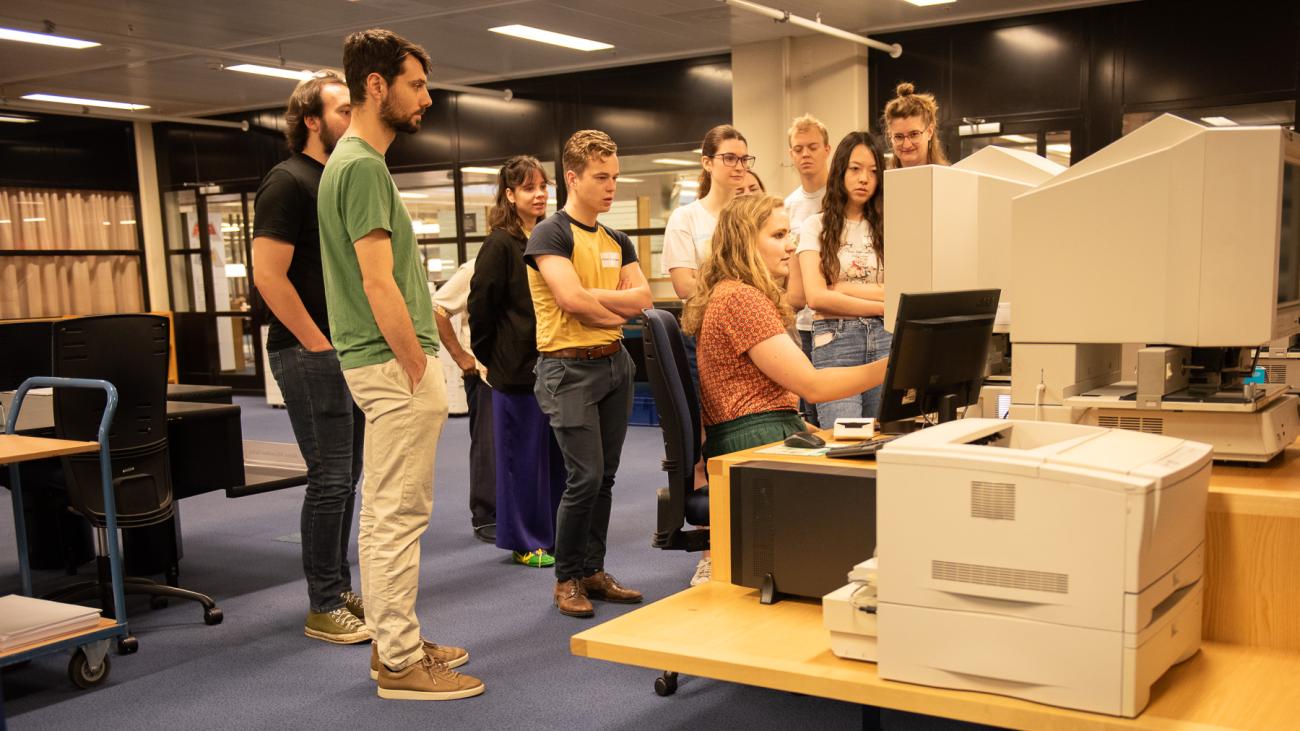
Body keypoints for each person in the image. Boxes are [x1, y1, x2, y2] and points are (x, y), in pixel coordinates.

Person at [317, 28, 482, 701]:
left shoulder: (352, 163)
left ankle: (398, 638)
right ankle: (400, 659)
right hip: (392, 365)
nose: (427, 97)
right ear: (376, 86)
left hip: (383, 363)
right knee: (396, 516)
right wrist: (418, 364)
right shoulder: (359, 165)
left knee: (390, 512)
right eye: (415, 85)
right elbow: (378, 280)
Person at [253, 70, 368, 645]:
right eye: (344, 110)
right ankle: (323, 603)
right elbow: (269, 278)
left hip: (348, 351)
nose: (355, 118)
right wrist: (318, 343)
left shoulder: (339, 179)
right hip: (309, 352)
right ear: (312, 121)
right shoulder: (287, 181)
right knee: (329, 479)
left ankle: (337, 583)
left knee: (347, 478)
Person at [525, 129, 652, 618]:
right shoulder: (550, 233)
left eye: (615, 177)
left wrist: (598, 303)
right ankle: (566, 579)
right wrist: (612, 304)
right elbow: (570, 302)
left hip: (614, 365)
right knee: (585, 477)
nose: (611, 186)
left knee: (606, 478)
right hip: (567, 370)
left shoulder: (616, 238)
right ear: (572, 177)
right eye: (601, 177)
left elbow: (643, 300)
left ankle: (593, 570)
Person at [682, 193, 888, 459]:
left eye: (789, 234)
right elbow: (814, 387)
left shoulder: (732, 293)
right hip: (753, 441)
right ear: (745, 242)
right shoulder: (740, 298)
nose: (791, 246)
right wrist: (893, 366)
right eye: (778, 236)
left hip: (761, 433)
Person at [467, 155, 567, 569]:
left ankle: (553, 533)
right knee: (520, 462)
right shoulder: (499, 244)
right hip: (514, 372)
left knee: (554, 460)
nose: (540, 194)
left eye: (543, 186)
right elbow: (481, 307)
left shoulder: (552, 237)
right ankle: (524, 540)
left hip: (554, 367)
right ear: (510, 195)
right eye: (529, 188)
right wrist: (493, 359)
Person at [790, 131, 890, 425]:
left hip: (884, 339)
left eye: (873, 172)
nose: (864, 179)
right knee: (844, 442)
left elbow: (899, 291)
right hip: (835, 340)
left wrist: (842, 289)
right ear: (840, 171)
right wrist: (882, 303)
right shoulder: (815, 226)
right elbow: (817, 298)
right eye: (855, 169)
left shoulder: (888, 225)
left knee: (883, 440)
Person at [431, 260, 497, 545]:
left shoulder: (537, 260)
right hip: (484, 373)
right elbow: (438, 309)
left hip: (526, 374)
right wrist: (460, 356)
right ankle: (487, 516)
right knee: (488, 446)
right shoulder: (476, 267)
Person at [662, 125, 754, 300]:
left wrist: (705, 280)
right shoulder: (684, 218)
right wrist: (740, 294)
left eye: (744, 159)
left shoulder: (752, 217)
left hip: (751, 317)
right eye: (729, 158)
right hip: (705, 320)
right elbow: (684, 286)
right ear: (707, 163)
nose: (739, 166)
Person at [782, 114, 832, 426]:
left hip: (835, 320)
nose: (805, 154)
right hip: (802, 325)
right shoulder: (787, 206)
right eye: (798, 149)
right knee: (808, 414)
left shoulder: (841, 198)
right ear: (791, 155)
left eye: (812, 147)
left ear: (827, 149)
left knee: (831, 410)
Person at [882, 82, 950, 169]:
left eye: (914, 134)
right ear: (890, 136)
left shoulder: (947, 178)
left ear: (930, 131)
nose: (907, 145)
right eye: (899, 136)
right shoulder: (883, 180)